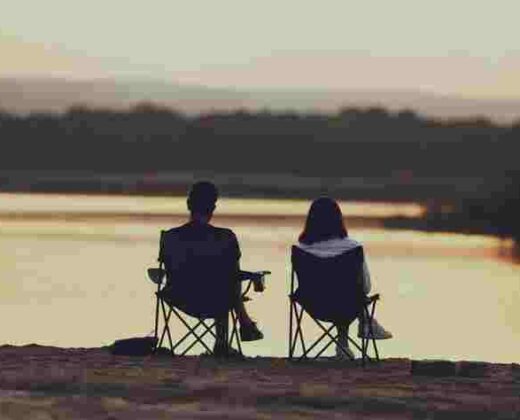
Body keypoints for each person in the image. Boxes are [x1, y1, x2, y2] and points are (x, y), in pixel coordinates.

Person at [160, 181, 264, 356]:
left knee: (223, 282)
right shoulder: (225, 237)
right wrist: (254, 277)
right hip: (217, 301)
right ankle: (229, 336)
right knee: (226, 283)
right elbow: (234, 274)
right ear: (213, 207)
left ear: (188, 205)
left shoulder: (171, 237)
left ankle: (243, 323)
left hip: (179, 297)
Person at [296, 197, 392, 360]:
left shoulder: (301, 249)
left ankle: (345, 345)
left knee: (339, 293)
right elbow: (365, 287)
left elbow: (302, 284)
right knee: (348, 294)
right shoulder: (353, 248)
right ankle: (366, 323)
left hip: (314, 305)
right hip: (348, 305)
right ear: (339, 220)